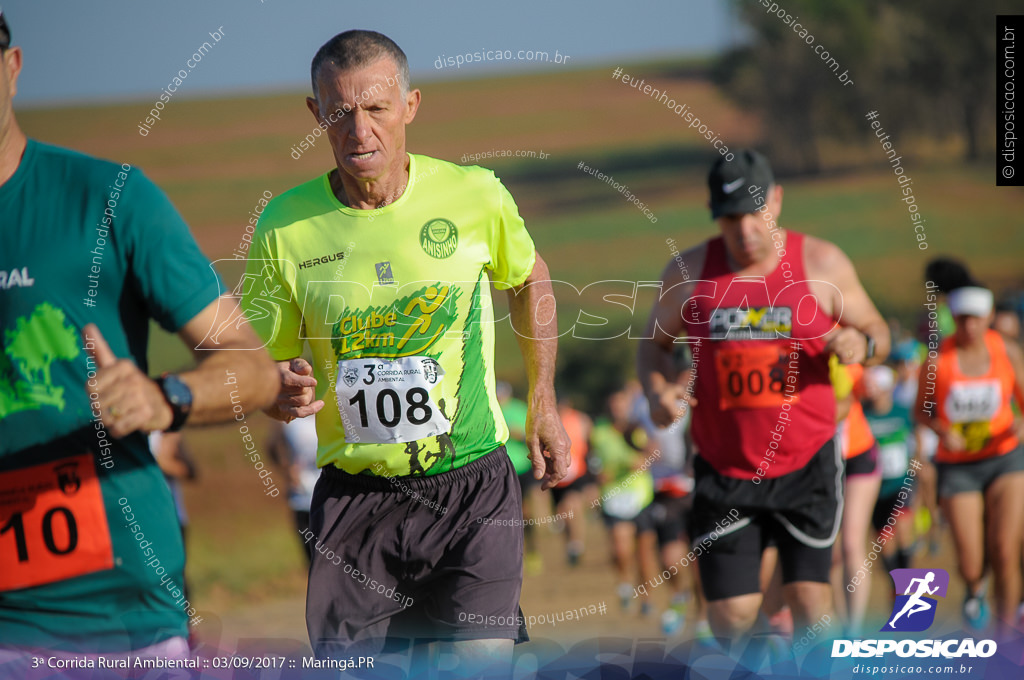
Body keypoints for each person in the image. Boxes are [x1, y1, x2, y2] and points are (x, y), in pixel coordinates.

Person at [239, 30, 569, 677]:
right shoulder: (284, 226)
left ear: (410, 105)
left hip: (471, 486)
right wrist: (280, 391)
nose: (359, 130)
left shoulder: (474, 196)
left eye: (377, 108)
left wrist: (543, 399)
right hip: (356, 502)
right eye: (339, 112)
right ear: (316, 115)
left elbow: (530, 278)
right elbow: (265, 367)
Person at [0, 10, 278, 670]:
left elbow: (252, 367)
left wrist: (164, 397)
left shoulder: (110, 199)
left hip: (121, 616)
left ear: (12, 69)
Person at [637, 150, 890, 650]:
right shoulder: (689, 272)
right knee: (732, 616)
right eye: (730, 217)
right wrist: (657, 392)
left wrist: (865, 345)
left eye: (754, 212)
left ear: (776, 200)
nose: (744, 229)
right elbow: (653, 346)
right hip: (724, 468)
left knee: (810, 601)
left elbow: (875, 329)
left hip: (807, 462)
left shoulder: (822, 262)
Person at [916, 285, 1024, 633]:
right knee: (971, 561)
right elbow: (920, 411)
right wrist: (939, 428)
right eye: (963, 320)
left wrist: (1021, 425)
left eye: (977, 319)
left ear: (988, 318)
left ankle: (1006, 635)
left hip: (1005, 458)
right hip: (958, 465)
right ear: (954, 320)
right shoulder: (936, 360)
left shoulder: (1006, 351)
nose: (970, 327)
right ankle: (974, 589)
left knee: (1005, 549)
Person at [589, 387, 658, 615]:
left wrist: (644, 461)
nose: (617, 408)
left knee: (644, 555)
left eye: (622, 403)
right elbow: (593, 463)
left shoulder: (638, 429)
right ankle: (625, 584)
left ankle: (646, 597)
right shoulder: (599, 433)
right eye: (613, 403)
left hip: (641, 496)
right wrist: (599, 475)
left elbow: (653, 451)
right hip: (613, 498)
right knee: (621, 549)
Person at [862, 365, 917, 575]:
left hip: (901, 483)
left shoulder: (902, 411)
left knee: (903, 531)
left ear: (888, 388)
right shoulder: (864, 414)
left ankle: (909, 582)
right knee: (885, 545)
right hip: (875, 488)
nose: (875, 393)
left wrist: (917, 464)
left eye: (879, 388)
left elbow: (917, 437)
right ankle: (897, 587)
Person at [267, 416, 320, 564]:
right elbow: (272, 446)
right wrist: (287, 471)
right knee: (312, 562)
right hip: (301, 498)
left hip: (332, 498)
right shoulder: (286, 416)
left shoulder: (333, 407)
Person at [552, 397, 593, 567]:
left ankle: (577, 544)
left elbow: (592, 444)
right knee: (563, 513)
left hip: (577, 473)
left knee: (571, 506)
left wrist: (593, 474)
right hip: (555, 476)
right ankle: (571, 546)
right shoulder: (547, 419)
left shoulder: (581, 420)